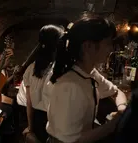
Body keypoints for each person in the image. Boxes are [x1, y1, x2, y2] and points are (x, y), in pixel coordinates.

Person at [45, 14, 127, 143]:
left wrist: (121, 109)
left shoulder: (89, 73)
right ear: (88, 46)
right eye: (107, 43)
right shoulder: (70, 85)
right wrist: (114, 123)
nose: (111, 49)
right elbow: (75, 140)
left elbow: (116, 91)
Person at [23, 24, 65, 143]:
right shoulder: (61, 69)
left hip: (37, 121)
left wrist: (31, 128)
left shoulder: (30, 69)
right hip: (55, 122)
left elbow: (29, 103)